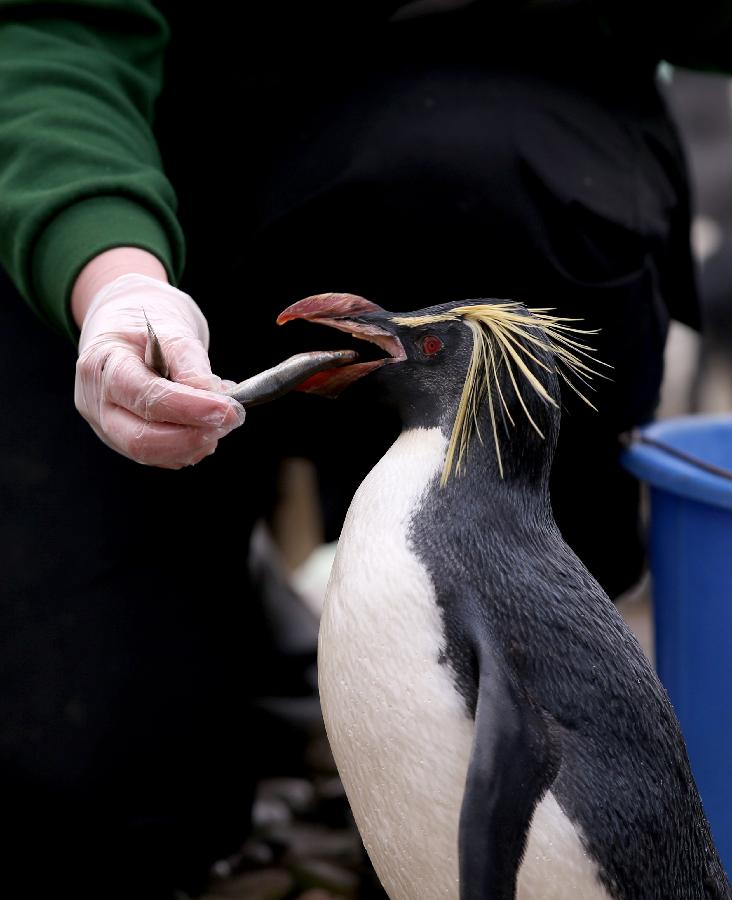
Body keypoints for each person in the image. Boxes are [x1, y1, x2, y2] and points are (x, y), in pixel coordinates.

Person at [1, 1, 729, 897]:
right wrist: (112, 280)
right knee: (78, 776)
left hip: (514, 151)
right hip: (171, 171)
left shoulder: (454, 527)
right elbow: (49, 24)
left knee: (478, 156)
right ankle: (241, 652)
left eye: (424, 345)